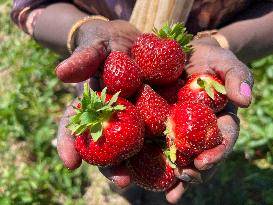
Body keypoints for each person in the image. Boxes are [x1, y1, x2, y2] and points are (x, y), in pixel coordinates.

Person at [11, 0, 273, 204]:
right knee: (124, 167)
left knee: (146, 165)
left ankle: (148, 188)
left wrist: (221, 42)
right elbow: (30, 6)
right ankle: (134, 190)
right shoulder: (113, 95)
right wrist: (84, 30)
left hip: (191, 62)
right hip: (104, 81)